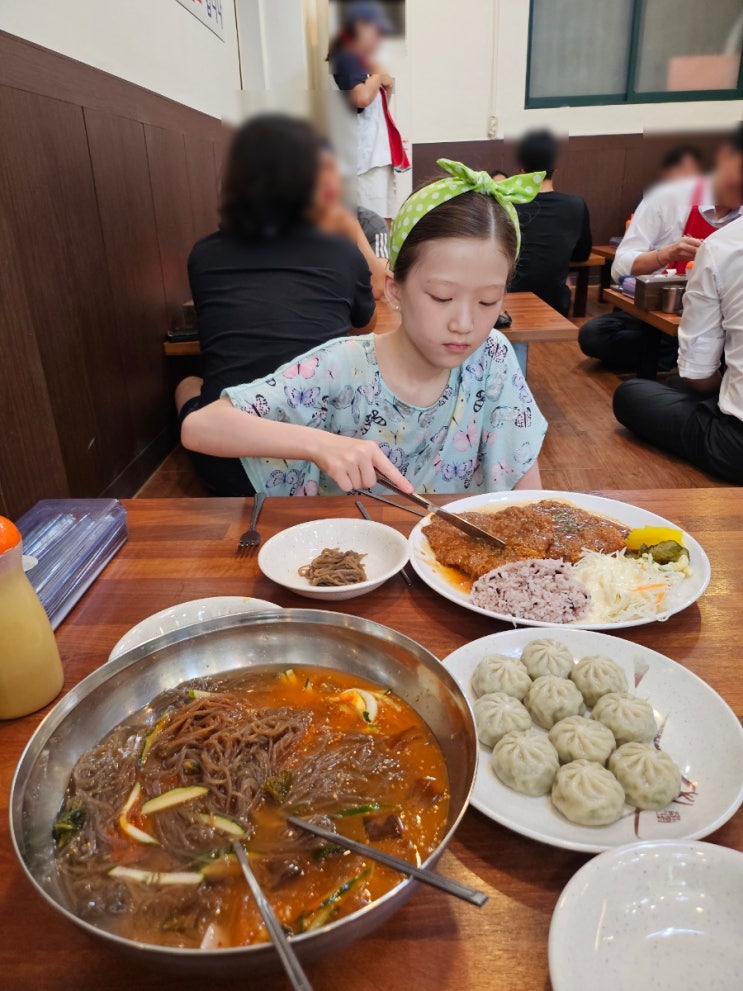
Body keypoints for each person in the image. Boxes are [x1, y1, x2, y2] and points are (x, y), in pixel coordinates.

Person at [181, 160, 548, 497]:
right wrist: (319, 444)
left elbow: (529, 495)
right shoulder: (342, 366)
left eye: (488, 302)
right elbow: (200, 427)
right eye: (441, 297)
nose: (464, 325)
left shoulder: (493, 358)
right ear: (394, 290)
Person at [177, 114, 376, 496]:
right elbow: (365, 325)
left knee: (187, 383)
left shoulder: (202, 255)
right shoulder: (341, 251)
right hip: (327, 464)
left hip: (226, 464)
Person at [579, 125, 742, 374]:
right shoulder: (667, 199)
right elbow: (620, 267)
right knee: (594, 335)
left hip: (720, 322)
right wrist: (667, 254)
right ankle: (688, 360)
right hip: (658, 312)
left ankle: (682, 359)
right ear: (724, 157)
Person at [612, 218, 743, 483]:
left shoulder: (723, 244)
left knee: (632, 393)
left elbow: (697, 375)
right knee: (676, 381)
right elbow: (620, 268)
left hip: (735, 442)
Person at [328, 1, 408, 218]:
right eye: (376, 31)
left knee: (384, 222)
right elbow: (361, 98)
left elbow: (377, 109)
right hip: (364, 161)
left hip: (376, 157)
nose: (379, 39)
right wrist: (378, 75)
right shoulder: (346, 58)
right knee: (372, 224)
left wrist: (385, 85)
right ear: (359, 26)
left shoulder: (362, 62)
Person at [507, 130, 592, 316]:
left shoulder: (507, 205)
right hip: (556, 304)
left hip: (509, 303)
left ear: (521, 169)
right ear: (555, 167)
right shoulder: (576, 205)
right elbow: (582, 254)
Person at [311, 142, 388, 298]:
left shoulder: (372, 224)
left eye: (332, 170)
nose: (326, 180)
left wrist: (352, 224)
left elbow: (379, 286)